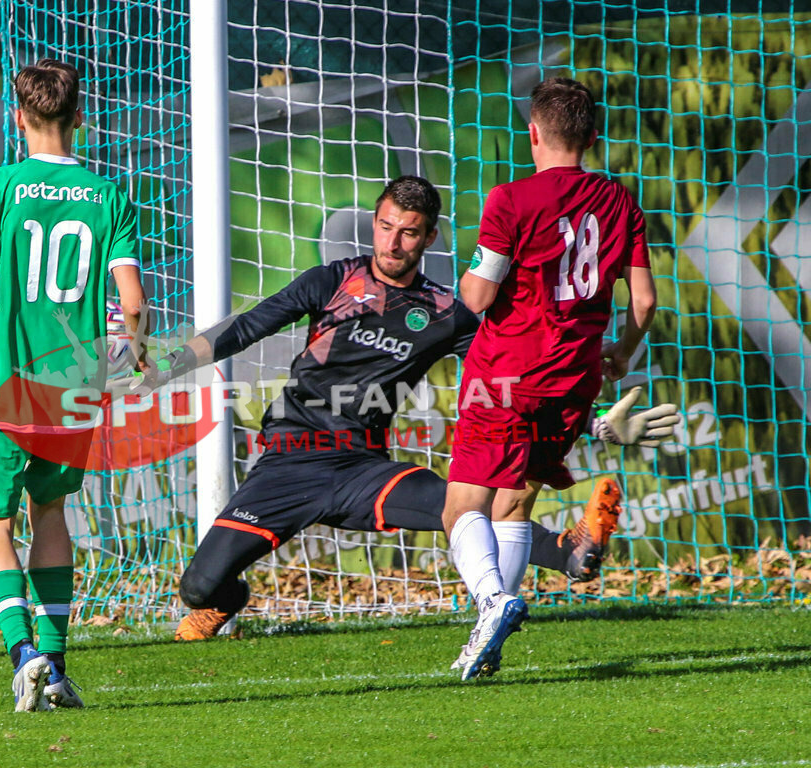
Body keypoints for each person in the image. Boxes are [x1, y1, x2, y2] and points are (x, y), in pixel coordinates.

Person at [128, 175, 673, 650]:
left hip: (363, 468)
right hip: (289, 462)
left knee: (462, 510)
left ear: (428, 237)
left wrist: (597, 421)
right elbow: (247, 327)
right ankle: (226, 601)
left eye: (408, 231)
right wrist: (166, 365)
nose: (393, 241)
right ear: (374, 223)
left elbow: (514, 381)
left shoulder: (448, 314)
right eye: (386, 226)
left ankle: (569, 550)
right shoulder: (332, 280)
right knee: (199, 587)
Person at [0, 59, 146, 712]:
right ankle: (58, 665)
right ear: (79, 118)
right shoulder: (110, 198)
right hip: (69, 394)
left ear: (19, 116)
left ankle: (25, 656)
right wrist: (134, 350)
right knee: (52, 515)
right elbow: (132, 304)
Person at [443, 77, 657, 680]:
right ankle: (490, 643)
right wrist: (622, 351)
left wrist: (467, 280)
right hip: (575, 378)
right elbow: (644, 303)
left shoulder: (510, 200)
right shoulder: (621, 202)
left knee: (462, 507)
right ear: (592, 137)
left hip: (507, 372)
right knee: (515, 502)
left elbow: (481, 295)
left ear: (532, 133)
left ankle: (493, 603)